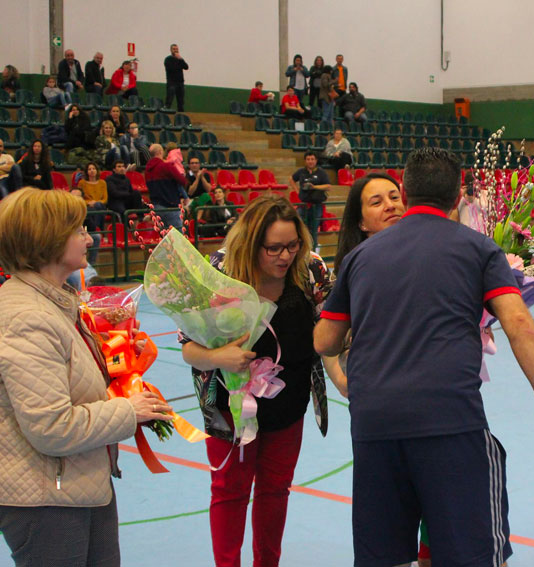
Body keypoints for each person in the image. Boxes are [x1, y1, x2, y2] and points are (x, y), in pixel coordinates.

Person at [314, 148, 534, 567]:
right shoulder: (479, 249)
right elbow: (519, 324)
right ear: (457, 197)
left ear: (405, 192)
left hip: (375, 426)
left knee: (383, 556)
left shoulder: (359, 258)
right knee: (472, 554)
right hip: (448, 422)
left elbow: (325, 341)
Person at [0, 188, 171, 567]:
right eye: (78, 230)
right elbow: (51, 427)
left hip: (78, 483)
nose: (89, 238)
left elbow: (72, 384)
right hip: (46, 499)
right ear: (45, 239)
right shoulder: (27, 317)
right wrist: (129, 410)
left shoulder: (55, 302)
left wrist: (118, 360)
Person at [180, 194, 335, 566]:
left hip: (289, 404)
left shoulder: (310, 268)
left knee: (275, 491)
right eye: (274, 249)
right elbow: (188, 347)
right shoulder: (219, 271)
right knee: (229, 492)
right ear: (251, 245)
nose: (285, 256)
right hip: (231, 407)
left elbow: (331, 330)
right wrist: (219, 357)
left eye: (292, 245)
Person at [288, 151, 330, 249]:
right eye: (308, 159)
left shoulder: (321, 172)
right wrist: (297, 191)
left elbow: (328, 186)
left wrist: (314, 187)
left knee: (313, 229)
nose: (310, 161)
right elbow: (291, 179)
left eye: (312, 159)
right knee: (300, 227)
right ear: (305, 161)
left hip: (317, 206)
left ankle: (312, 249)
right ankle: (301, 248)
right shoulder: (301, 172)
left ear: (316, 160)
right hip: (304, 205)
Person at [144, 143, 187, 232]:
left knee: (164, 235)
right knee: (177, 235)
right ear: (160, 152)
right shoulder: (166, 166)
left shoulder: (147, 170)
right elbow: (182, 181)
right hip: (170, 206)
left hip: (156, 207)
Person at [164, 44, 189, 112]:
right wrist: (179, 65)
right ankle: (166, 113)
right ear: (171, 50)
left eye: (177, 49)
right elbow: (171, 69)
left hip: (180, 83)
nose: (175, 50)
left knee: (181, 102)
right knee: (169, 100)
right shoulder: (168, 59)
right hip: (171, 83)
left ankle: (181, 114)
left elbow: (186, 67)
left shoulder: (180, 59)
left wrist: (180, 59)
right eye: (174, 49)